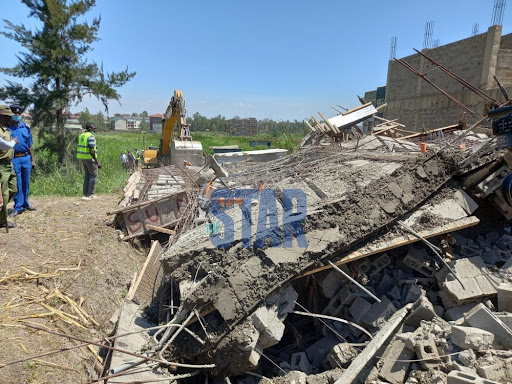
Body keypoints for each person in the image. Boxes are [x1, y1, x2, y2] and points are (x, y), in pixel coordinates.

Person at [8, 104, 36, 217]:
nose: (17, 115)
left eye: (19, 113)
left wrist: (32, 160)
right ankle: (18, 206)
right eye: (15, 113)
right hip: (14, 158)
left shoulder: (25, 128)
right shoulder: (7, 129)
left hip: (26, 158)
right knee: (17, 183)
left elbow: (30, 145)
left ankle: (25, 203)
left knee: (26, 182)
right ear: (11, 114)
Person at [0, 105, 19, 228]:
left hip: (9, 163)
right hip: (1, 165)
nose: (9, 119)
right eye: (7, 117)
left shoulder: (6, 129)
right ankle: (2, 220)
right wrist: (14, 142)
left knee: (13, 189)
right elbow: (5, 146)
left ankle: (3, 211)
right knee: (4, 194)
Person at [77, 123, 101, 200]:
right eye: (94, 128)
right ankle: (91, 194)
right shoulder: (90, 136)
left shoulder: (82, 135)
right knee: (93, 176)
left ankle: (85, 193)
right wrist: (97, 161)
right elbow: (91, 150)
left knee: (87, 175)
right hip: (90, 158)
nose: (95, 129)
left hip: (83, 158)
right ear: (90, 129)